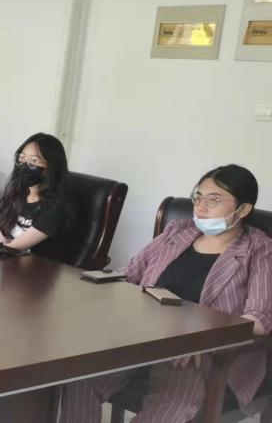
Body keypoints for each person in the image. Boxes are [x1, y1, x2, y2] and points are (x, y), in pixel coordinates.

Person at [60, 164, 272, 423]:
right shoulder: (178, 231)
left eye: (213, 200)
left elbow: (260, 319)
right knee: (80, 377)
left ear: (244, 209)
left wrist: (200, 336)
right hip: (141, 336)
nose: (201, 207)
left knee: (173, 404)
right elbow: (129, 274)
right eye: (198, 197)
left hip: (199, 354)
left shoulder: (259, 249)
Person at [0, 133, 71, 251]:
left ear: (51, 167)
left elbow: (12, 248)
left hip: (34, 262)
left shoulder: (55, 207)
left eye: (34, 160)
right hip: (9, 259)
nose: (24, 165)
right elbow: (1, 241)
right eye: (22, 158)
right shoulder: (17, 195)